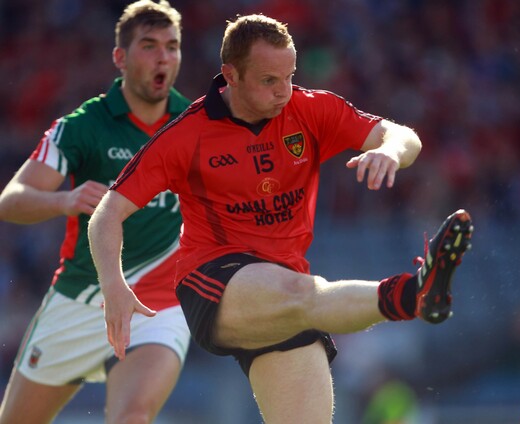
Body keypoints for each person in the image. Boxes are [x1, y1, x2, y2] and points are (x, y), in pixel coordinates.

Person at [87, 13, 473, 424]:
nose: (283, 91)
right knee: (304, 293)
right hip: (215, 280)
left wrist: (389, 151)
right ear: (231, 76)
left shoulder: (311, 109)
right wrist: (113, 284)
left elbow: (403, 136)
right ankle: (414, 294)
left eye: (289, 76)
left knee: (302, 301)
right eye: (269, 80)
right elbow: (107, 213)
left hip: (288, 293)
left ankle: (414, 293)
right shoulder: (186, 136)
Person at [0, 1, 192, 423]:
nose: (163, 57)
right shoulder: (82, 126)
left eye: (172, 46)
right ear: (120, 57)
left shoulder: (197, 126)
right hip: (80, 300)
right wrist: (64, 200)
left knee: (132, 416)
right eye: (149, 46)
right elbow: (10, 200)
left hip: (157, 308)